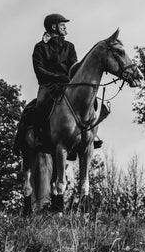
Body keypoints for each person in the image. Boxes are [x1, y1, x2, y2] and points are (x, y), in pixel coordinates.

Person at [32, 13, 103, 150]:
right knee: (40, 103)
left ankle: (91, 134)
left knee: (90, 101)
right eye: (62, 25)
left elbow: (75, 66)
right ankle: (39, 137)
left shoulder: (69, 46)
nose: (65, 28)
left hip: (68, 83)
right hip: (48, 84)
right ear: (54, 27)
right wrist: (58, 77)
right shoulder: (40, 47)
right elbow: (39, 70)